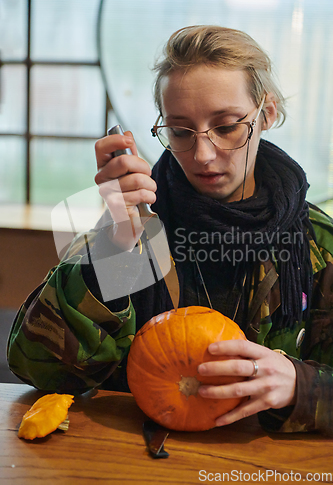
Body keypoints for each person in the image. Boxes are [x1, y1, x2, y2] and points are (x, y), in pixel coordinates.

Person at [7, 25, 333, 436]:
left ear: (266, 113)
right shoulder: (133, 225)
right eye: (180, 131)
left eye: (227, 126)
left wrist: (301, 386)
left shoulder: (316, 245)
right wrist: (115, 248)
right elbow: (39, 369)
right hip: (132, 455)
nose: (203, 155)